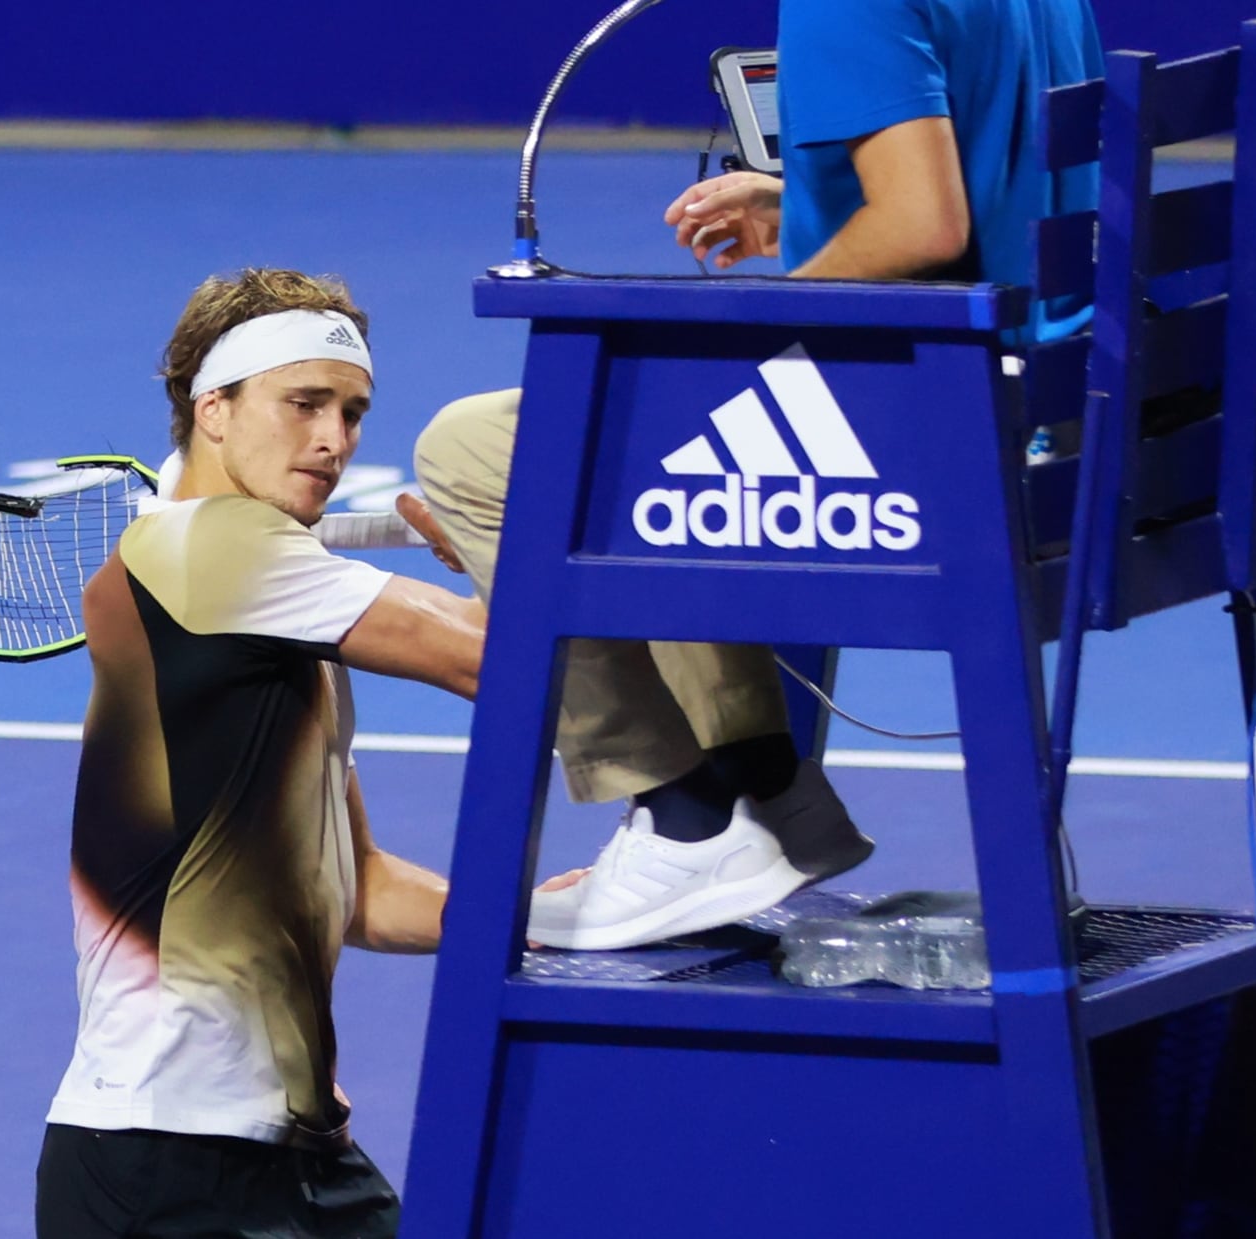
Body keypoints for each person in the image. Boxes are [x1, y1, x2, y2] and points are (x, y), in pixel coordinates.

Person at [412, 0, 1103, 953]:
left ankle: (684, 814)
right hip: (1065, 422)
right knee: (667, 429)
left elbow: (924, 224)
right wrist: (807, 208)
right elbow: (996, 183)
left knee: (479, 450)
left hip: (941, 453)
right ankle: (771, 791)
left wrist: (757, 318)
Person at [35, 268, 485, 1239]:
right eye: (304, 404)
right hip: (165, 1162)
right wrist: (505, 542)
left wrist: (551, 925)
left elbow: (355, 890)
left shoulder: (265, 602)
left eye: (353, 412)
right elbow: (495, 662)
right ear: (216, 411)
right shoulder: (212, 551)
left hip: (294, 1158)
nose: (335, 440)